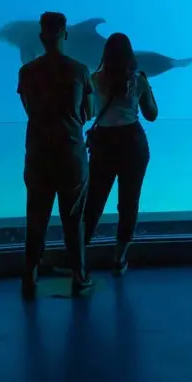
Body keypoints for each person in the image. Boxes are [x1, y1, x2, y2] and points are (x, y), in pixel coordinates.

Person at [18, 12, 94, 299]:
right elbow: (90, 112)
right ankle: (80, 274)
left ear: (40, 36)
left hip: (38, 152)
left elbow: (28, 108)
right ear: (65, 34)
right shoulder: (80, 70)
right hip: (71, 153)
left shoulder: (26, 72)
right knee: (74, 218)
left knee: (36, 216)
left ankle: (29, 274)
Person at [82, 33, 158, 276]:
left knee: (93, 200)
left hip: (104, 143)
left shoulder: (94, 80)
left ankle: (78, 256)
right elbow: (152, 114)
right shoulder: (138, 80)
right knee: (129, 201)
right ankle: (119, 257)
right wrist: (147, 87)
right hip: (133, 142)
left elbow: (87, 113)